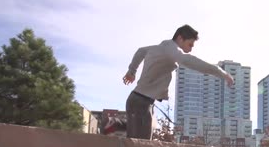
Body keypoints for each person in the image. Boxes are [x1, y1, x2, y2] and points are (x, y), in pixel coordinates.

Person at [101, 24, 235, 139]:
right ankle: (114, 124)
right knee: (141, 146)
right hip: (141, 102)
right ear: (180, 38)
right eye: (190, 44)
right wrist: (221, 73)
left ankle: (115, 124)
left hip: (140, 101)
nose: (191, 48)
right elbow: (189, 61)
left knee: (151, 126)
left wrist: (132, 71)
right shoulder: (172, 49)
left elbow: (141, 51)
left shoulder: (160, 47)